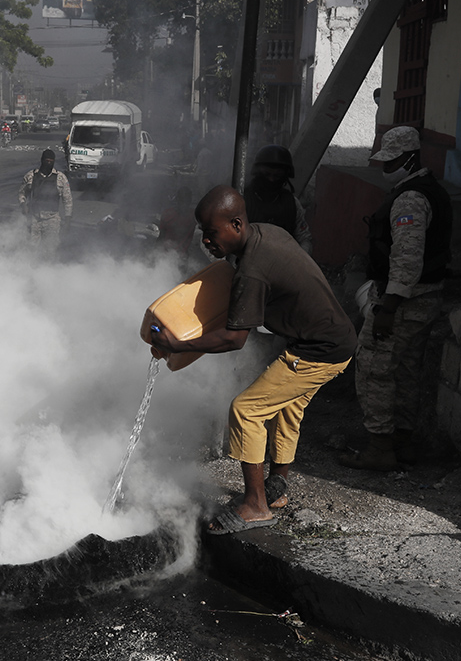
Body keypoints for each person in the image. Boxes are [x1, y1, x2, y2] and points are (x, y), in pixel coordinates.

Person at [150, 186, 357, 535]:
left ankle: (256, 505)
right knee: (287, 409)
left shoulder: (252, 270)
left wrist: (179, 343)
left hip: (318, 351)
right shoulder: (266, 233)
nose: (206, 241)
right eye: (202, 232)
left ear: (235, 224)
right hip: (334, 340)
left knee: (247, 410)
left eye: (211, 232)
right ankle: (277, 489)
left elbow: (234, 338)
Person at [340, 126, 453, 471]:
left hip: (402, 302)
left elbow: (406, 257)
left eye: (392, 162)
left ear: (410, 158)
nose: (385, 169)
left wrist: (388, 306)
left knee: (374, 368)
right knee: (405, 371)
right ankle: (402, 442)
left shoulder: (410, 199)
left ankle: (379, 447)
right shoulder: (431, 190)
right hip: (426, 298)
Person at [243, 145, 313, 254]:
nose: (271, 180)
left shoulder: (292, 204)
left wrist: (299, 260)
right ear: (257, 172)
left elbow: (304, 238)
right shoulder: (242, 200)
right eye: (267, 174)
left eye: (277, 176)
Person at [17, 149, 73, 255]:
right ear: (42, 160)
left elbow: (68, 200)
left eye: (51, 161)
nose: (48, 164)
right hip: (34, 218)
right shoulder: (31, 176)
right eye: (46, 161)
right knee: (31, 248)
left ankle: (48, 269)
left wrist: (68, 221)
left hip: (52, 219)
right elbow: (22, 193)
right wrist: (23, 204)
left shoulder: (60, 178)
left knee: (50, 250)